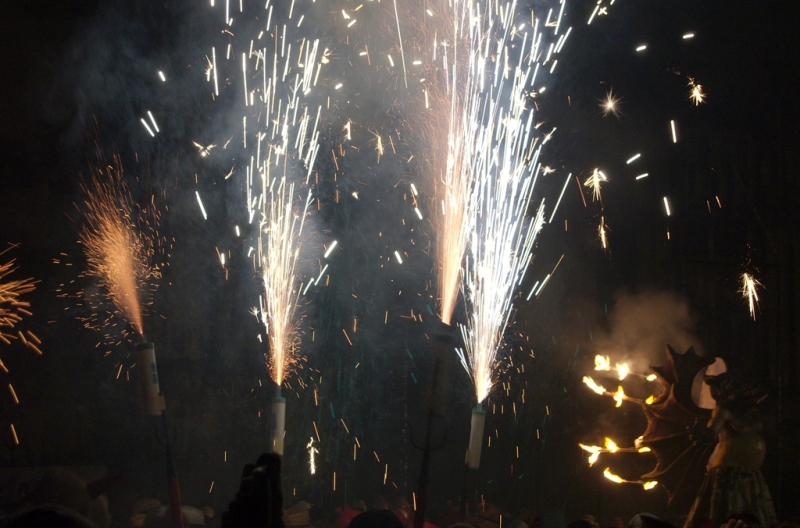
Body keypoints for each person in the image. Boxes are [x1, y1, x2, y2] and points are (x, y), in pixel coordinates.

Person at [683, 374, 776, 528]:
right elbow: (712, 431)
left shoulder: (752, 413)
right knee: (727, 514)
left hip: (751, 475)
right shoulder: (723, 411)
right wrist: (700, 433)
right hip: (729, 473)